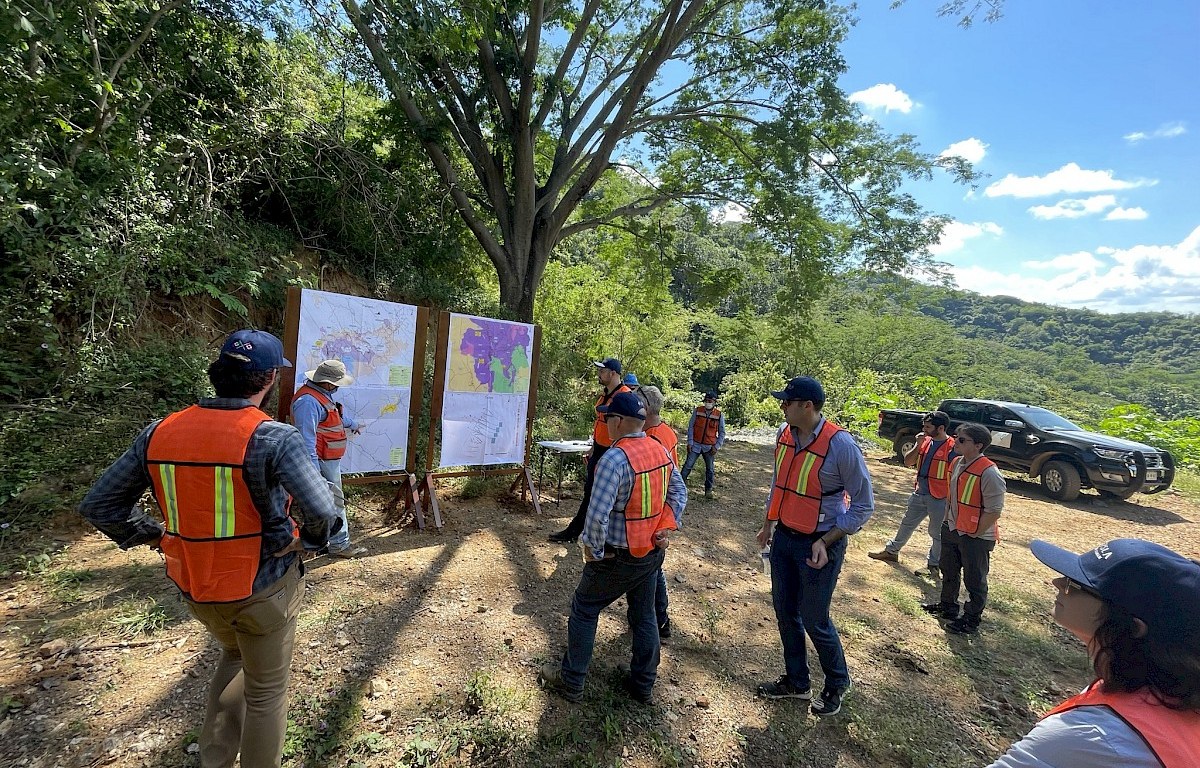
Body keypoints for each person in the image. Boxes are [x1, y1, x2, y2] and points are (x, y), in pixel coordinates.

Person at [78, 329, 342, 768]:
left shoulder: (160, 432)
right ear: (270, 378)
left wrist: (156, 536)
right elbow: (322, 509)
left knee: (234, 654)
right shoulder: (274, 438)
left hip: (197, 586)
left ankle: (214, 761)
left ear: (219, 372)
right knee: (267, 692)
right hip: (264, 586)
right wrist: (310, 541)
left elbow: (100, 506)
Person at [987, 538, 1200, 767]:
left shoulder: (1092, 736)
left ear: (1131, 627)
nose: (1058, 582)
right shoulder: (1170, 693)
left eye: (1075, 584)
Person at [539, 391, 687, 704]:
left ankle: (572, 681)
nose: (604, 422)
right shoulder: (659, 449)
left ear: (618, 422)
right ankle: (643, 684)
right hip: (650, 554)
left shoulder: (614, 459)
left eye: (607, 417)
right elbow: (679, 493)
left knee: (584, 608)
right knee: (644, 615)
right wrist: (664, 527)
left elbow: (596, 517)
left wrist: (593, 552)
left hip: (617, 556)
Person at [755, 376, 873, 716]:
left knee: (814, 618)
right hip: (784, 538)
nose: (782, 407)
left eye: (787, 402)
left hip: (819, 544)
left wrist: (827, 539)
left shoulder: (841, 446)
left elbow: (863, 506)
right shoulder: (784, 434)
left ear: (807, 406)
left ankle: (837, 683)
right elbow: (779, 482)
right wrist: (768, 524)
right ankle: (797, 682)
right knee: (785, 612)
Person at [921, 422, 1005, 635]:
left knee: (974, 580)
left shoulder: (989, 472)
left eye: (961, 439)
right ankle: (948, 606)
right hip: (952, 529)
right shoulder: (957, 462)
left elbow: (994, 510)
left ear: (978, 445)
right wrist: (948, 522)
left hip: (976, 536)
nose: (955, 442)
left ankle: (971, 619)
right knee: (948, 569)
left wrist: (976, 533)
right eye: (956, 437)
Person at [548, 358, 632, 543]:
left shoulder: (625, 396)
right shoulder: (605, 395)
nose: (599, 374)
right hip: (599, 450)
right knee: (590, 492)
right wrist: (593, 447)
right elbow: (600, 423)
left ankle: (583, 534)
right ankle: (577, 532)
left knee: (603, 496)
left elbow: (628, 427)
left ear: (613, 373)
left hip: (613, 452)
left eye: (602, 371)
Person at [291, 359, 367, 558]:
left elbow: (334, 417)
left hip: (327, 460)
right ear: (327, 383)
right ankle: (339, 544)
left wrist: (353, 424)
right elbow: (306, 439)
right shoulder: (308, 402)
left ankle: (325, 542)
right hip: (321, 462)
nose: (338, 387)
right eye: (336, 383)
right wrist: (314, 473)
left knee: (330, 502)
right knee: (334, 502)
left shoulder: (320, 396)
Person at [869, 411, 955, 576]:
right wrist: (918, 444)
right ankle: (891, 551)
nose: (924, 429)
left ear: (941, 428)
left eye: (928, 427)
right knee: (907, 523)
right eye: (924, 426)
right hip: (920, 492)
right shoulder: (925, 441)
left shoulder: (952, 447)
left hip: (940, 497)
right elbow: (908, 462)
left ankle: (933, 565)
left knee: (936, 533)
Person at [638, 385, 679, 639]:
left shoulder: (654, 437)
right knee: (653, 568)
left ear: (646, 408)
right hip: (658, 510)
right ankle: (658, 620)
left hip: (653, 512)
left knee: (652, 569)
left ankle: (659, 620)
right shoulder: (666, 431)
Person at [682, 391, 725, 500]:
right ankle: (679, 486)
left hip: (709, 447)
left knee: (710, 469)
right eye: (706, 401)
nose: (707, 403)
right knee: (687, 466)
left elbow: (722, 433)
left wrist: (716, 446)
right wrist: (690, 442)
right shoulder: (697, 411)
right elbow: (691, 427)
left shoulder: (719, 415)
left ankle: (708, 490)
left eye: (710, 401)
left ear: (714, 402)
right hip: (695, 444)